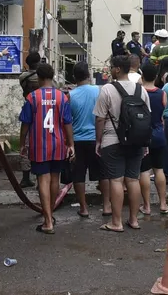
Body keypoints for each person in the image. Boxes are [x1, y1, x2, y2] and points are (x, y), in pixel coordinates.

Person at [94, 55, 151, 232]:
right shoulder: (141, 90)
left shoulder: (107, 89)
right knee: (133, 180)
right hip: (137, 141)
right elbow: (146, 118)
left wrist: (98, 141)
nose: (110, 69)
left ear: (118, 69)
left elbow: (100, 119)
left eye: (112, 67)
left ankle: (116, 222)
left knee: (116, 180)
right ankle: (133, 220)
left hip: (112, 140)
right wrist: (145, 143)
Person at [19, 64, 75, 234]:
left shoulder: (32, 97)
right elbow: (67, 122)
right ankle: (50, 213)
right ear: (52, 77)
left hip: (39, 145)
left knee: (43, 180)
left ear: (39, 78)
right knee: (54, 179)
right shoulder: (62, 97)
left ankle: (48, 221)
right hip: (58, 144)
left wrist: (22, 143)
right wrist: (71, 144)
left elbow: (25, 124)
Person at [69, 62, 101, 218]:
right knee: (103, 174)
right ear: (88, 75)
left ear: (74, 77)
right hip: (96, 138)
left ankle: (84, 208)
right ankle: (107, 205)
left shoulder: (70, 95)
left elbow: (67, 121)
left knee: (79, 175)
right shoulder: (98, 91)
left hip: (77, 140)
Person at [138, 63, 168, 215]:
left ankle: (147, 206)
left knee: (144, 171)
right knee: (159, 169)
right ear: (156, 76)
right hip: (159, 134)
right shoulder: (162, 93)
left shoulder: (138, 92)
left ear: (142, 75)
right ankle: (163, 204)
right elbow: (164, 115)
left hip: (143, 135)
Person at [18, 51, 43, 188]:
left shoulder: (23, 77)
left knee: (26, 144)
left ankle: (25, 178)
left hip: (28, 107)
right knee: (41, 143)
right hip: (42, 110)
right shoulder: (42, 77)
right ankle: (41, 179)